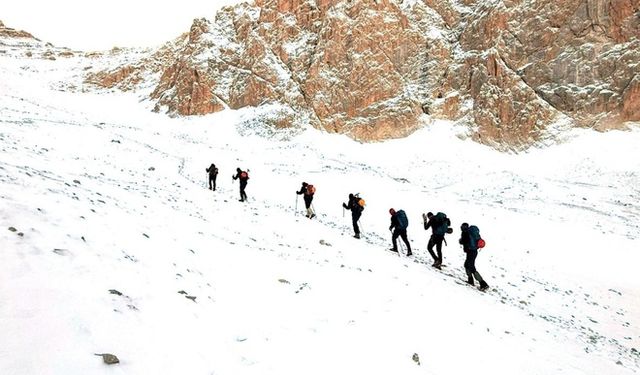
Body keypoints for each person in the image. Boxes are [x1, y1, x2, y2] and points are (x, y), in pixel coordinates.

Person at [459, 223, 489, 291]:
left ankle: (483, 284)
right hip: (474, 251)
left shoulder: (465, 233)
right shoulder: (471, 231)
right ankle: (470, 280)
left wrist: (461, 241)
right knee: (467, 265)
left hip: (471, 251)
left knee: (471, 267)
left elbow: (464, 241)